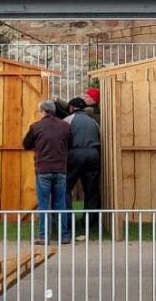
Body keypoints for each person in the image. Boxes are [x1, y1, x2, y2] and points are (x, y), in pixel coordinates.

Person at [23, 99, 71, 245]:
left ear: (42, 111)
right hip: (60, 169)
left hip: (43, 169)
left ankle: (44, 236)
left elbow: (26, 144)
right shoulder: (65, 126)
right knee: (60, 203)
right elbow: (71, 143)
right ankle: (64, 236)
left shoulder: (36, 126)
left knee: (44, 204)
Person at [65, 97, 101, 234]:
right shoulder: (93, 122)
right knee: (91, 190)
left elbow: (63, 136)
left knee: (66, 188)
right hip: (93, 154)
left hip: (75, 154)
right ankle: (89, 223)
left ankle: (68, 221)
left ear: (72, 108)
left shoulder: (68, 120)